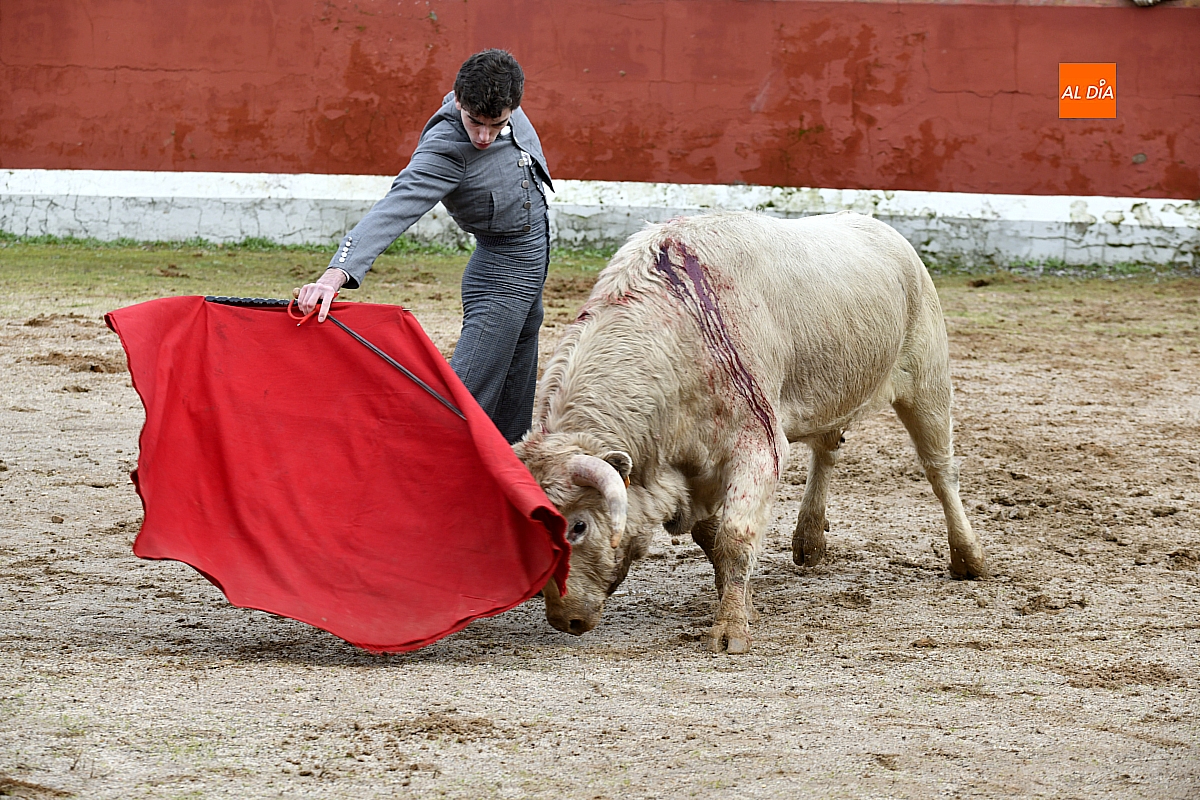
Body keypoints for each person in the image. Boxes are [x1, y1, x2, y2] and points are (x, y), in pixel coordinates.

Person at [296, 49, 553, 444]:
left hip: (534, 260)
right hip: (502, 272)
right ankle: (415, 477)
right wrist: (335, 274)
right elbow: (396, 206)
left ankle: (508, 483)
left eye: (497, 125)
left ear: (513, 107)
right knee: (459, 403)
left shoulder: (497, 91)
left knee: (514, 400)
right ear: (456, 99)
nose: (483, 137)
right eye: (474, 122)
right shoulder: (447, 147)